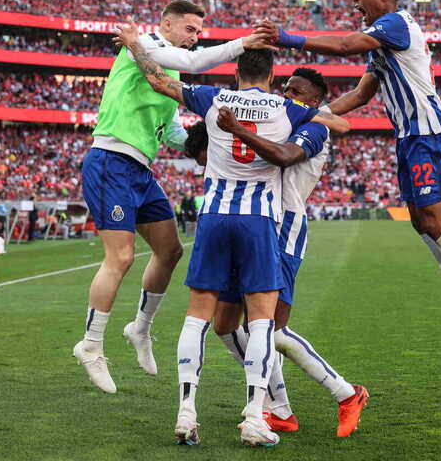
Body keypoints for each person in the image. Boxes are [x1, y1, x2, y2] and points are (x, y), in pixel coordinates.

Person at [117, 36, 348, 446]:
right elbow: (332, 123)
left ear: (236, 71)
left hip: (214, 216)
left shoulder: (212, 96)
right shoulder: (288, 108)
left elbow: (157, 80)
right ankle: (255, 417)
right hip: (259, 220)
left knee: (196, 316)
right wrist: (321, 115)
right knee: (261, 321)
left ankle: (187, 413)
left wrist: (135, 46)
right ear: (273, 76)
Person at [256, 0, 441, 344]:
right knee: (421, 223)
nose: (355, 0)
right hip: (408, 137)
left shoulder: (398, 25)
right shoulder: (383, 47)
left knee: (434, 221)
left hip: (428, 132)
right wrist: (308, 115)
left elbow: (343, 45)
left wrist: (289, 38)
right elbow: (359, 95)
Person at [73, 0, 276, 394]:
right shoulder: (144, 45)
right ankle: (91, 344)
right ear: (167, 23)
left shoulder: (167, 69)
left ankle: (140, 330)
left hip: (139, 169)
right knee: (121, 257)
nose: (195, 38)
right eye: (191, 29)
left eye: (199, 32)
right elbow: (197, 62)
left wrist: (211, 149)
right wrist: (243, 43)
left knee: (170, 250)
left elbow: (173, 132)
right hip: (110, 159)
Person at [190, 68, 368, 437]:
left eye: (295, 91)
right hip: (249, 221)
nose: (286, 95)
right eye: (284, 88)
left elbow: (304, 139)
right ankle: (279, 408)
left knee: (272, 329)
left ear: (314, 102)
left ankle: (346, 393)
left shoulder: (313, 128)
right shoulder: (283, 114)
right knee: (225, 325)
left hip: (282, 226)